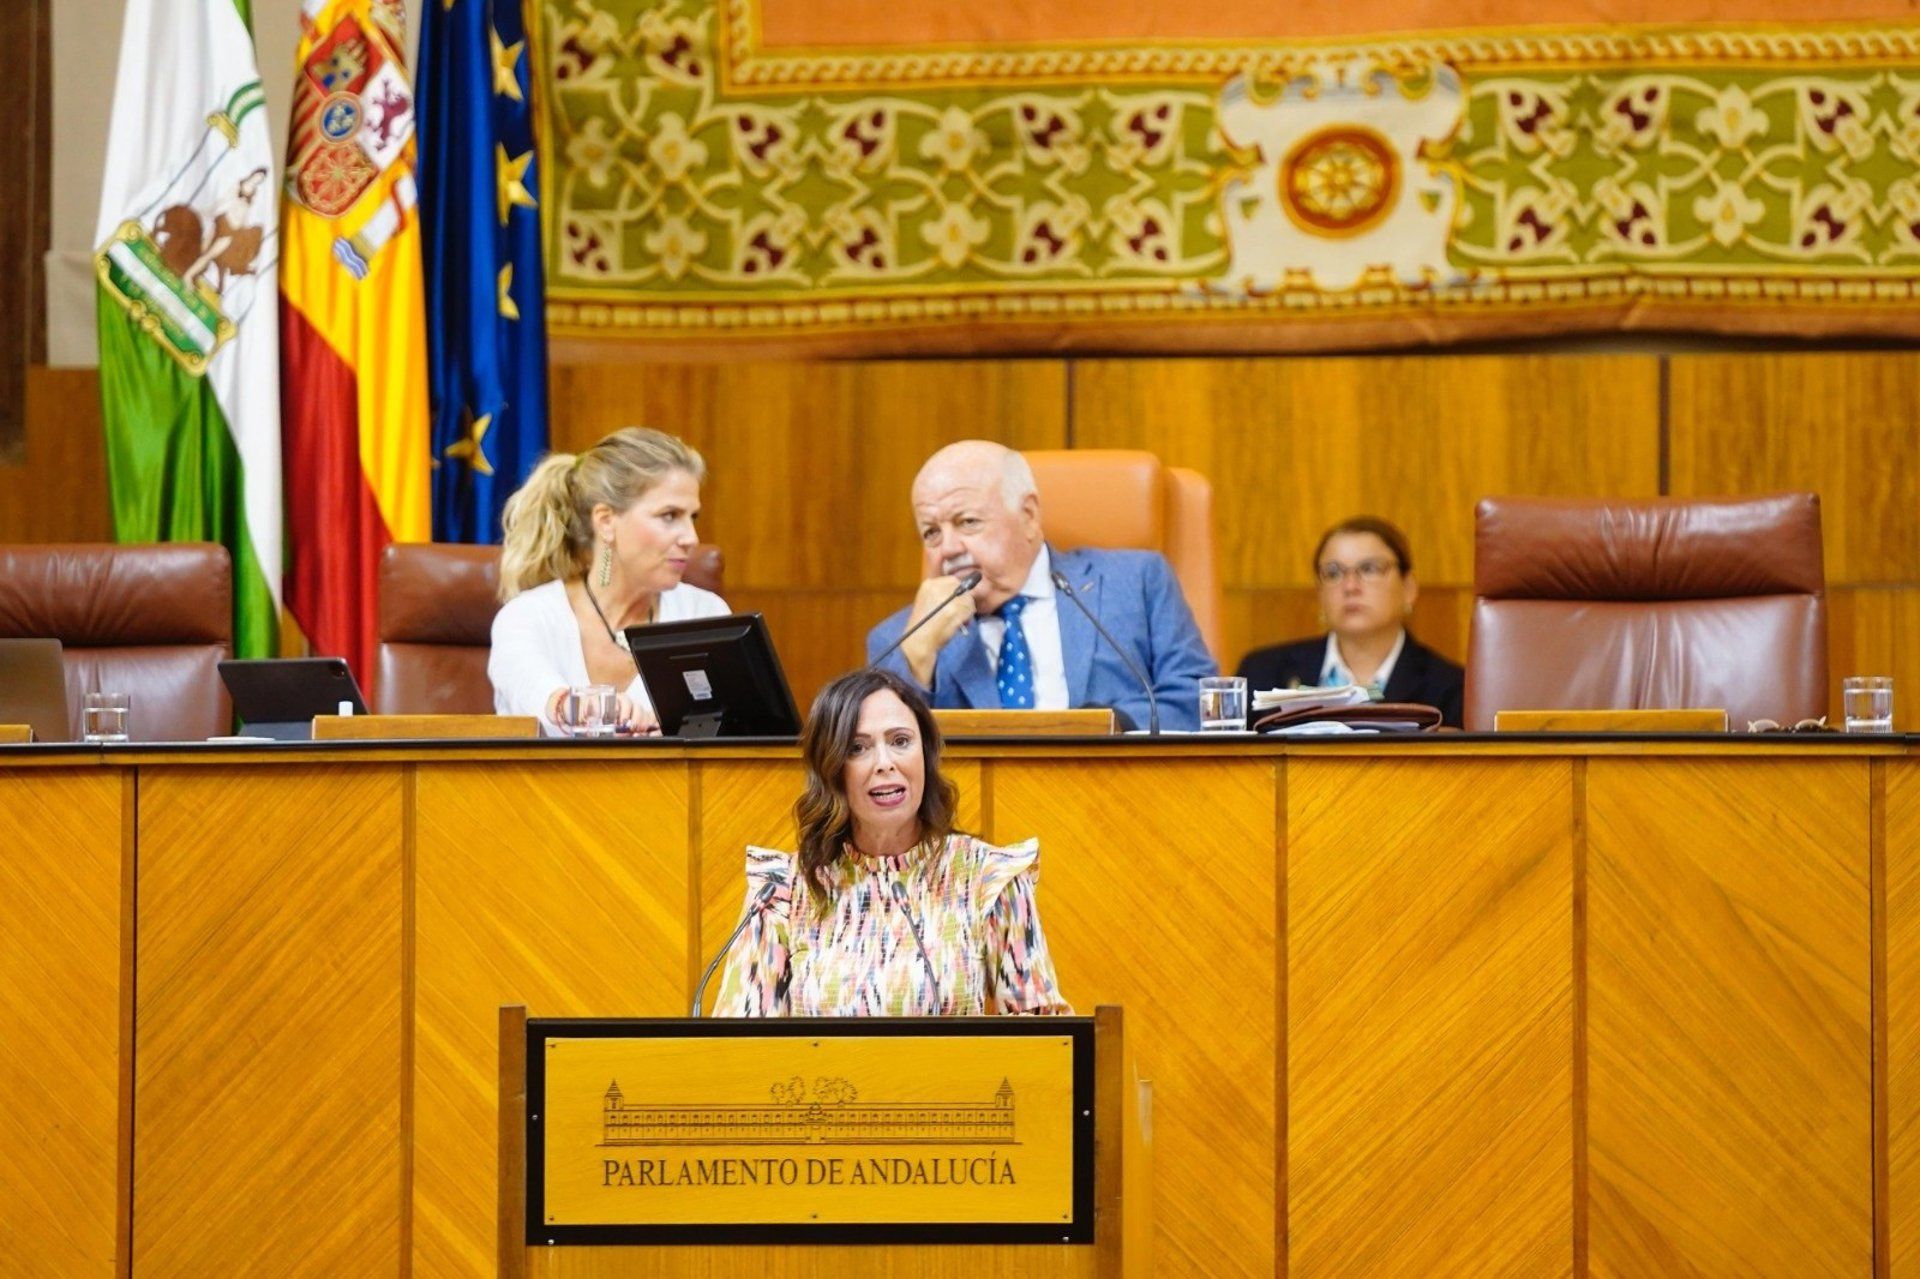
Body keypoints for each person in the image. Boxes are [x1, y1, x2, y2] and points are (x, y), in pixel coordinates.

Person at [712, 668, 1071, 1017]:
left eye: (900, 741)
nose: (885, 763)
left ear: (925, 755)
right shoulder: (781, 891)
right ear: (832, 768)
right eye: (858, 748)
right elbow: (738, 1049)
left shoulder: (989, 878)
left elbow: (1044, 1039)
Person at [866, 440, 1215, 731]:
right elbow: (880, 748)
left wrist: (1109, 725)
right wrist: (916, 657)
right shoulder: (898, 639)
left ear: (1029, 516)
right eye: (931, 532)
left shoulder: (1136, 582)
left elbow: (1201, 703)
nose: (949, 549)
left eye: (967, 522)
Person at [489, 427, 728, 733]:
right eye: (669, 516)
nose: (690, 538)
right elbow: (536, 697)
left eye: (692, 517)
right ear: (606, 522)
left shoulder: (705, 615)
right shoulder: (527, 617)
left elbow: (728, 735)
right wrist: (592, 709)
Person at [1236, 516, 1464, 727]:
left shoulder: (1450, 687)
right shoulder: (1263, 673)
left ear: (1408, 588)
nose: (1350, 586)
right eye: (1333, 573)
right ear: (1319, 592)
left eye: (1369, 568)